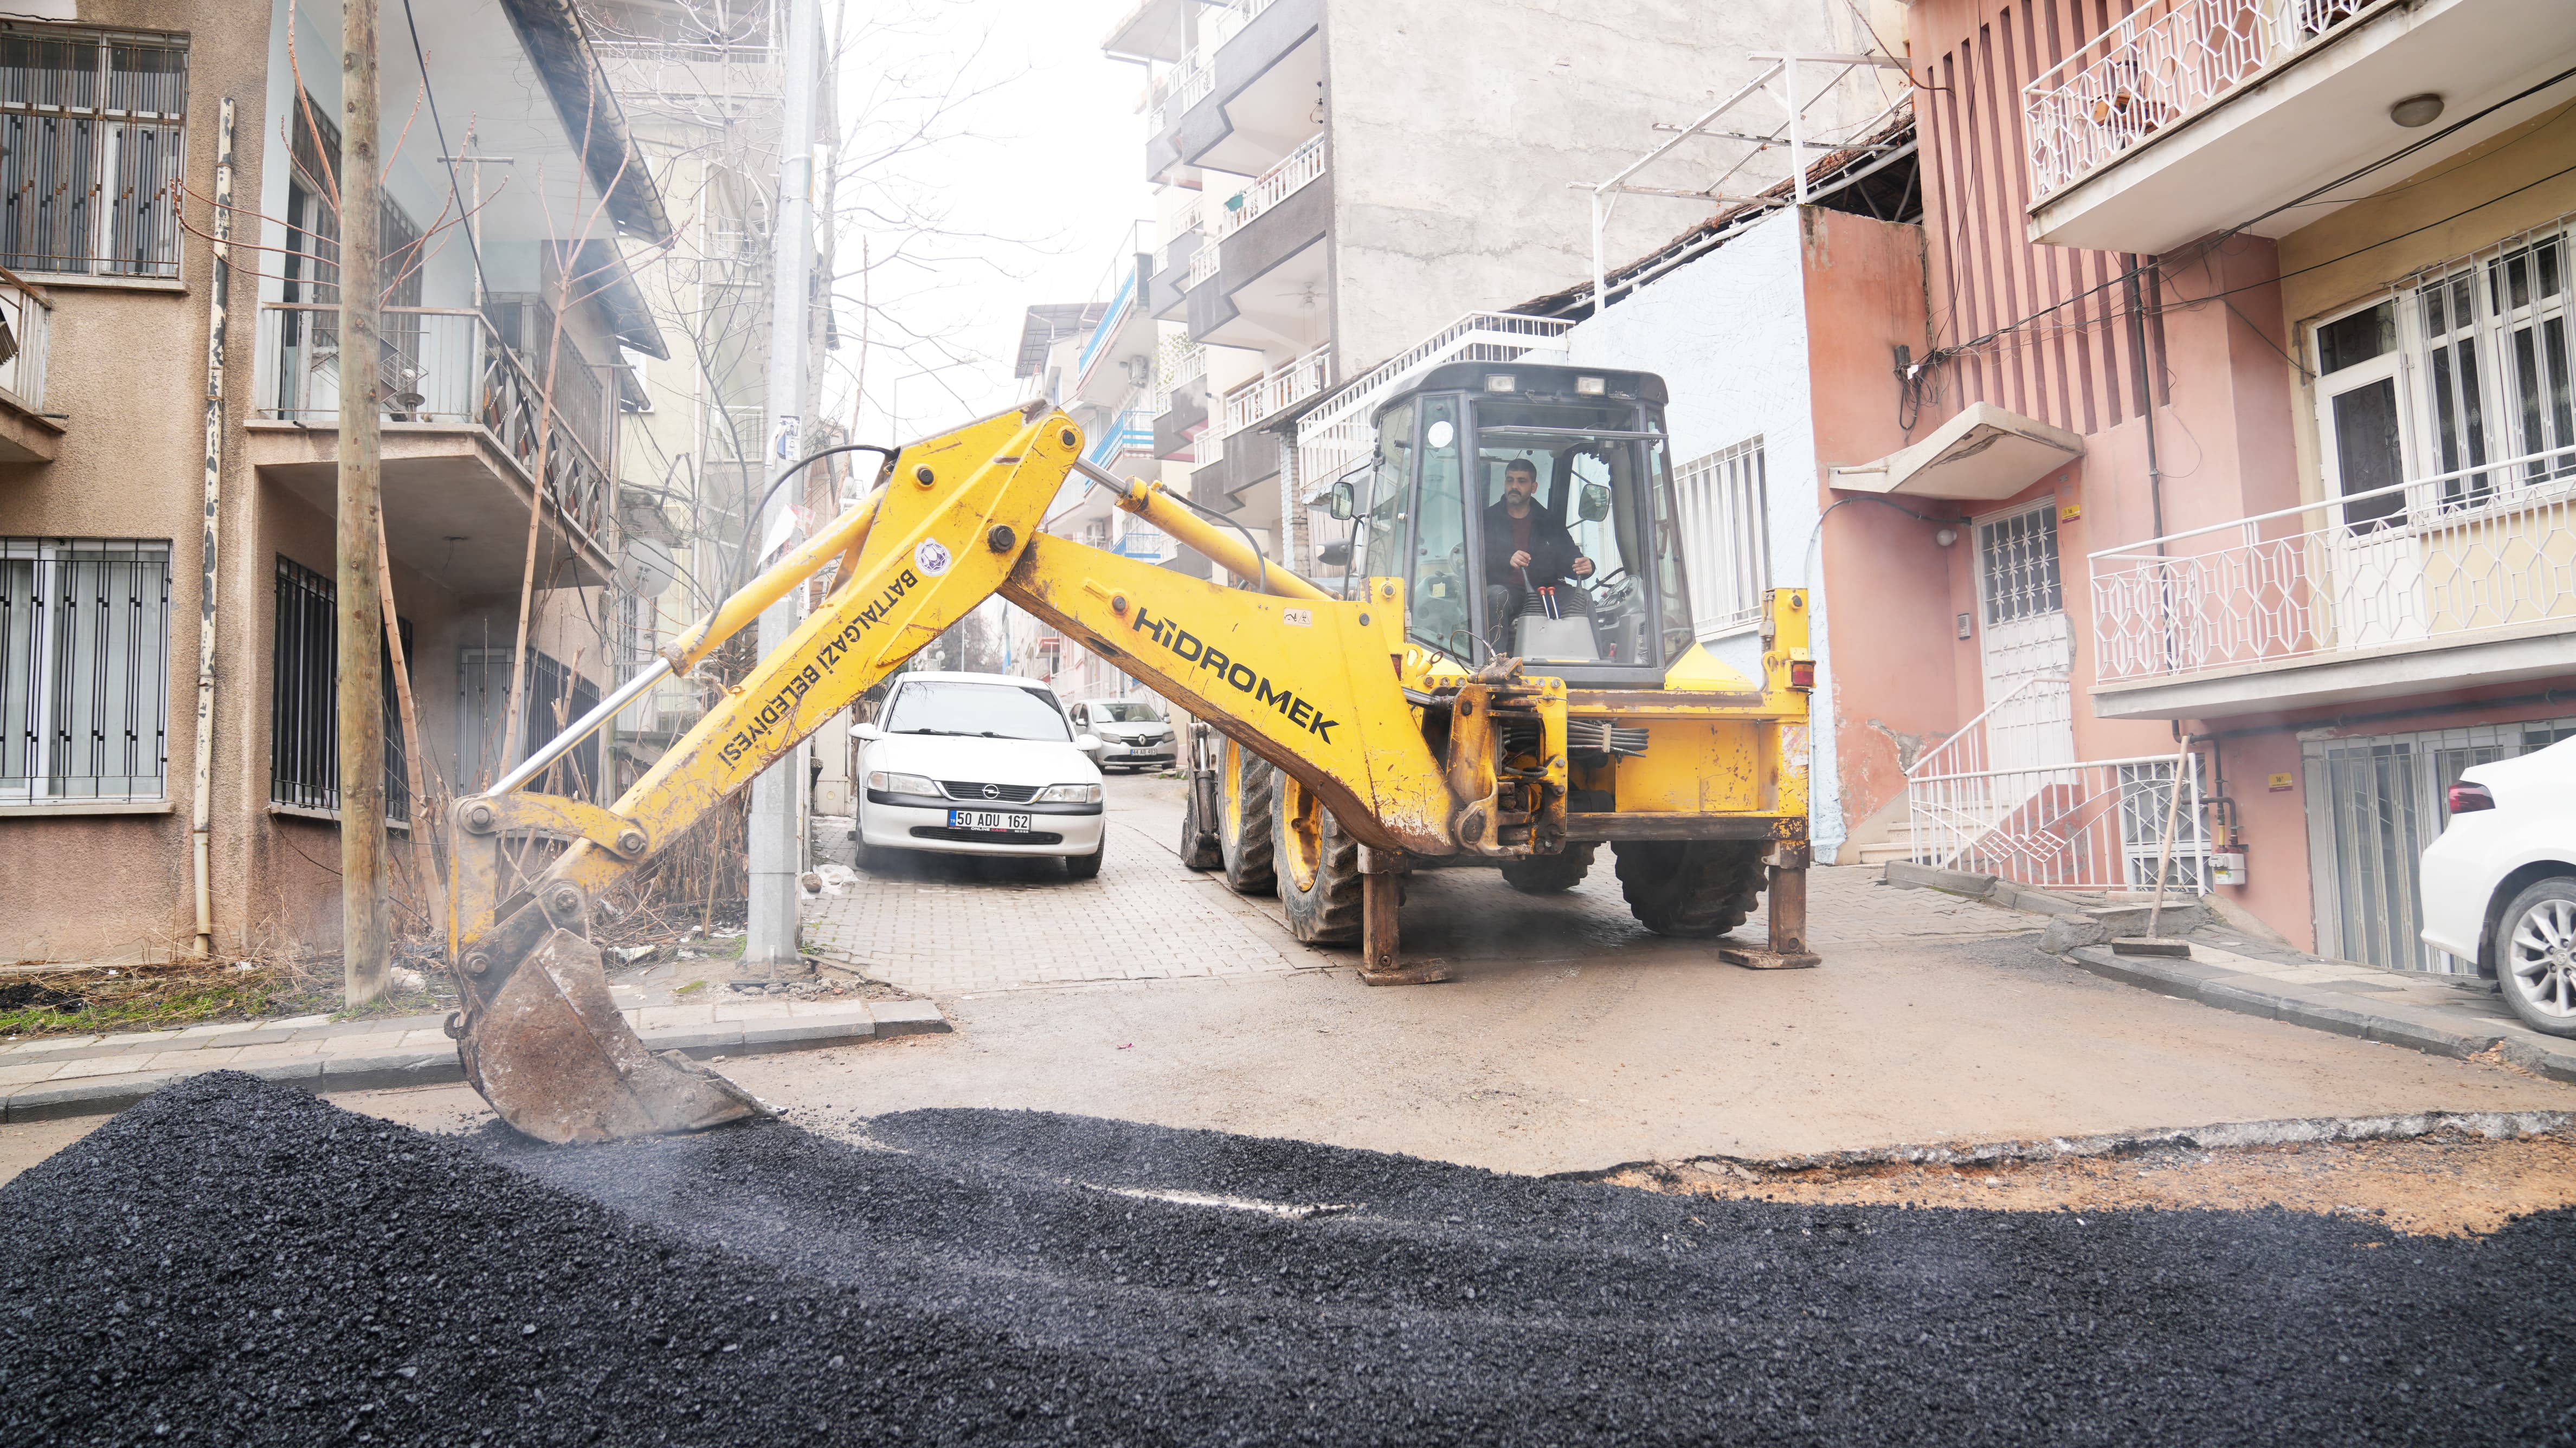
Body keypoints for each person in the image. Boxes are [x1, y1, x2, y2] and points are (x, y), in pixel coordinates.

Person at [1480, 458, 1593, 650]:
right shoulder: (1486, 519)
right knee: (1496, 595)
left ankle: (1593, 663)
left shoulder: (1549, 521)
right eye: (1510, 480)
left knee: (1584, 597)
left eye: (1521, 481)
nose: (1514, 486)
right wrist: (1508, 559)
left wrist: (1585, 566)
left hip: (1545, 590)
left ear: (1534, 487)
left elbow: (1569, 558)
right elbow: (1476, 560)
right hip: (1507, 591)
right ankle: (1494, 663)